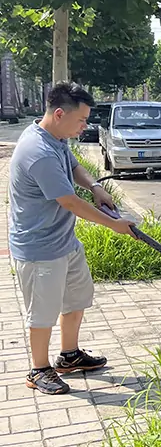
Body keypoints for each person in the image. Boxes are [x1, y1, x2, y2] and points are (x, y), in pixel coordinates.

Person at [8, 81, 137, 395]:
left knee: (75, 299)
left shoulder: (55, 137)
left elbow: (75, 167)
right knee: (42, 311)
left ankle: (69, 356)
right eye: (81, 120)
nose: (85, 126)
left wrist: (95, 187)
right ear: (59, 113)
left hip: (64, 241)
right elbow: (69, 201)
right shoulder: (37, 152)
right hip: (40, 248)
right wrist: (113, 223)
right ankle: (38, 370)